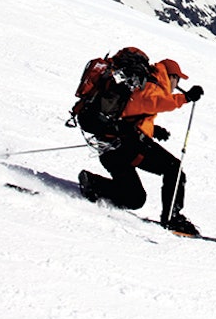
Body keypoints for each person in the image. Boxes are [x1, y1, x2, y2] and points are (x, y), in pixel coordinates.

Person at [78, 57, 204, 234]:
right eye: (177, 79)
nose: (177, 84)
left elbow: (131, 111)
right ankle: (172, 219)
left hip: (111, 147)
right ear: (171, 76)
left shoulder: (143, 83)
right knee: (173, 168)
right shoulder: (152, 86)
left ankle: (94, 184)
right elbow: (155, 102)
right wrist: (185, 98)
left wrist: (153, 130)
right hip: (125, 146)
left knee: (134, 199)